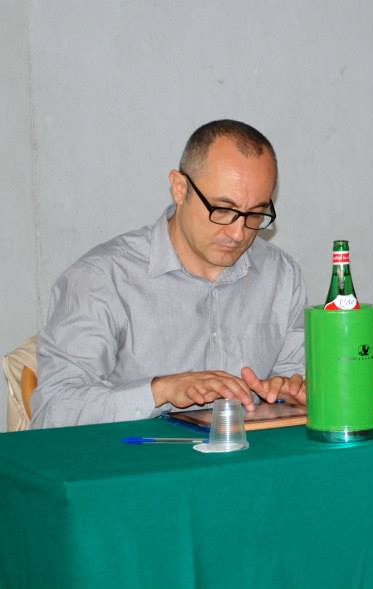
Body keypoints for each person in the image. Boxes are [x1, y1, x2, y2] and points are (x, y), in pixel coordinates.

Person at [31, 120, 307, 428]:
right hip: (132, 456)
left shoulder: (280, 276)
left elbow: (295, 384)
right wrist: (159, 392)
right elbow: (52, 413)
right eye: (222, 210)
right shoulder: (103, 279)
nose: (238, 233)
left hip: (249, 456)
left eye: (255, 214)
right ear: (180, 188)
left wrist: (294, 394)